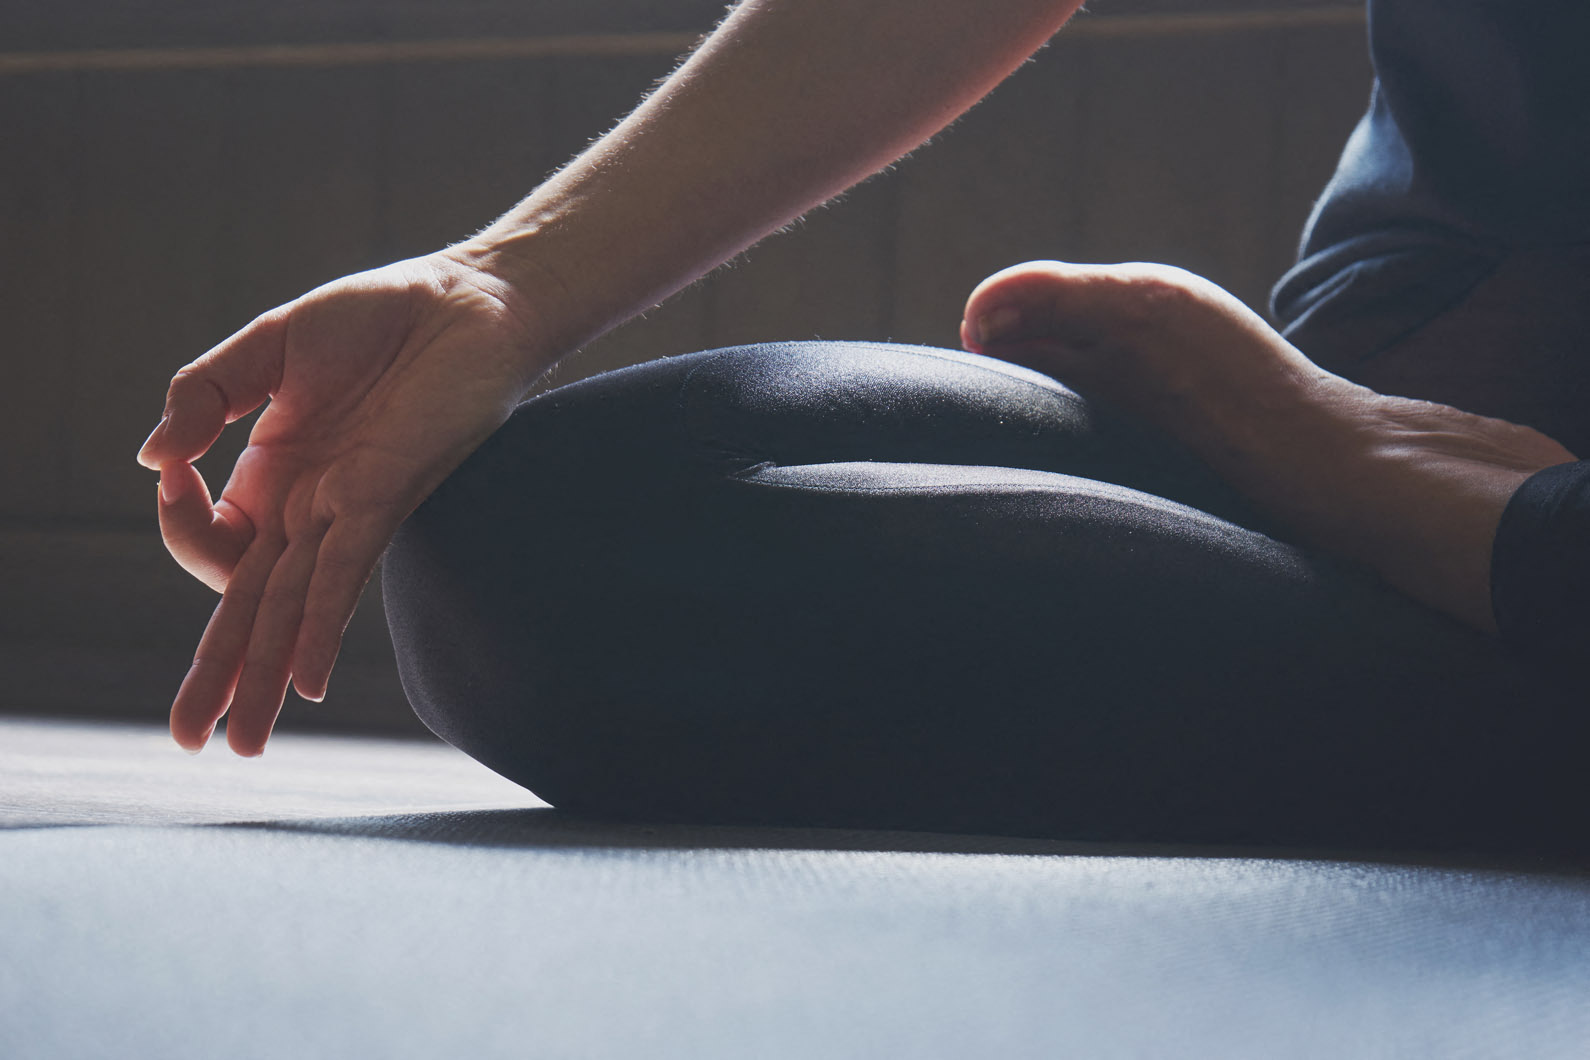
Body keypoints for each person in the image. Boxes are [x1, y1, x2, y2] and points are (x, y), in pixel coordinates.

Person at [136, 0, 1587, 848]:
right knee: (555, 545)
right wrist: (499, 283)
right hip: (1406, 367)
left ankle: (1487, 545)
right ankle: (1459, 550)